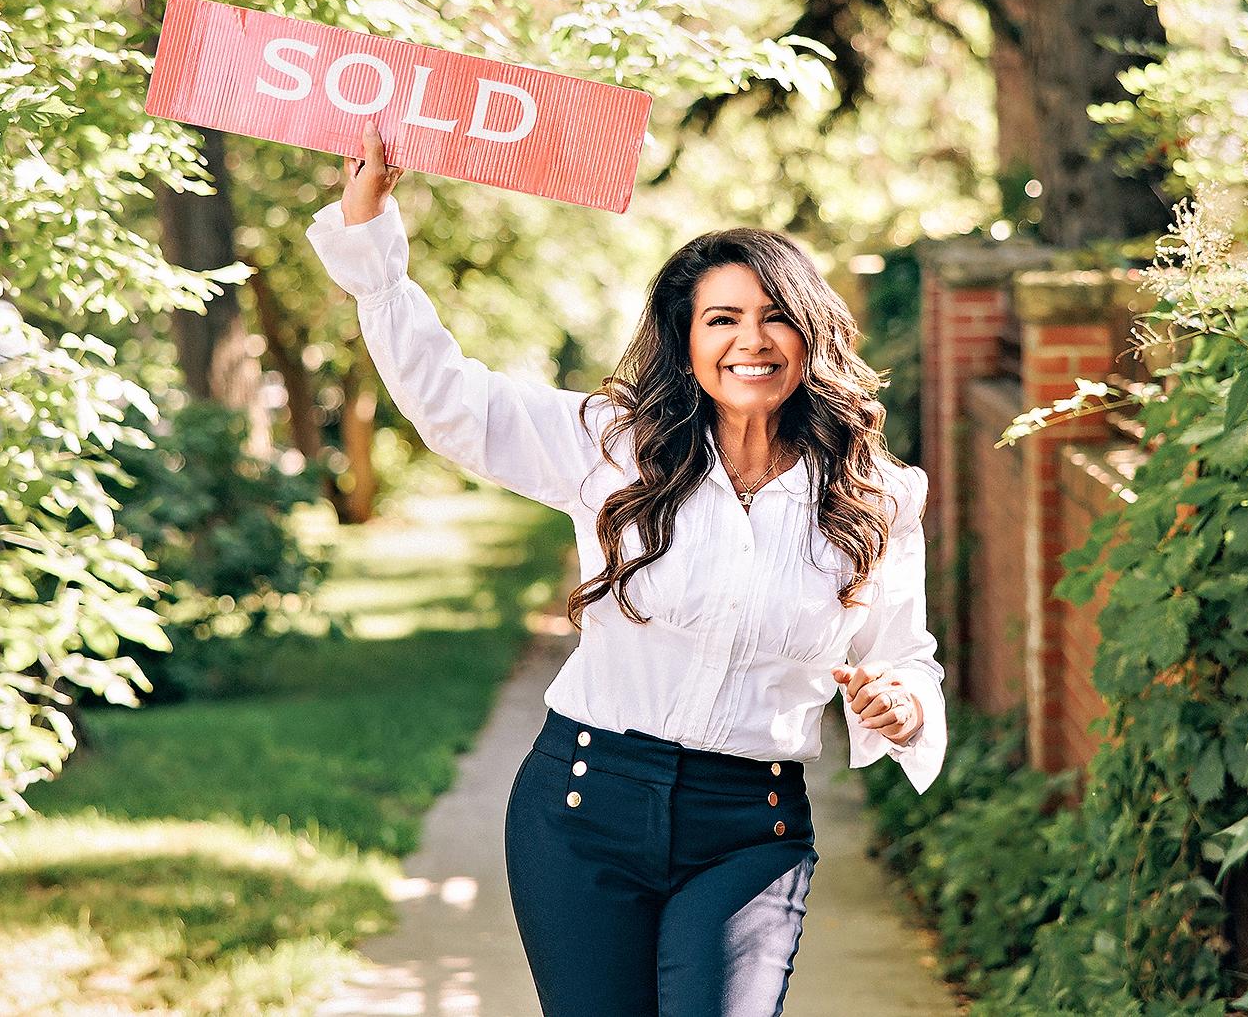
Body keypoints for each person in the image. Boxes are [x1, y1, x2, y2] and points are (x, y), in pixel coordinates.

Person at [308, 120, 947, 1017]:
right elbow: (452, 401)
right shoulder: (613, 448)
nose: (749, 340)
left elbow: (905, 654)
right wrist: (373, 239)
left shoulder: (874, 493)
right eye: (721, 318)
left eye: (774, 317)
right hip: (581, 808)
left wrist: (901, 702)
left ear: (809, 336)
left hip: (749, 832)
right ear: (686, 340)